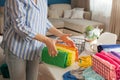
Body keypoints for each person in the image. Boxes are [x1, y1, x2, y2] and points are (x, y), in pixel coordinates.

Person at [0, 0, 76, 80]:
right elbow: (20, 26)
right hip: (16, 46)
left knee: (32, 77)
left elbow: (43, 20)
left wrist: (61, 35)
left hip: (35, 47)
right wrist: (47, 40)